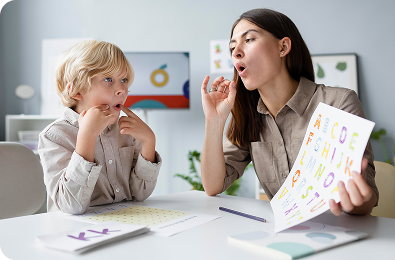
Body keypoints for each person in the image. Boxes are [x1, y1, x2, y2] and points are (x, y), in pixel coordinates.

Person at [200, 8, 378, 216]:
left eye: (248, 40)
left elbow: (366, 197)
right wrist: (214, 122)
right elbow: (213, 186)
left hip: (338, 232)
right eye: (232, 47)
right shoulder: (248, 114)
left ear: (283, 46)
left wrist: (356, 201)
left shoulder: (339, 103)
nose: (236, 52)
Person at [38, 40, 161, 214]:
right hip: (74, 232)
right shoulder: (55, 136)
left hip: (124, 222)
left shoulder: (127, 130)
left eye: (124, 80)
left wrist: (149, 142)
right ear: (77, 91)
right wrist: (87, 137)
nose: (122, 90)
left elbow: (140, 194)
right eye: (108, 79)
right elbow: (70, 205)